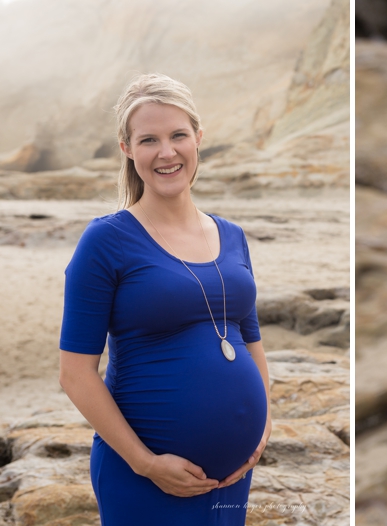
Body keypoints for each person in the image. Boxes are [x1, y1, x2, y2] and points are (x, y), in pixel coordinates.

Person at [58, 73, 271, 524]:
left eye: (178, 135)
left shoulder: (232, 235)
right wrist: (146, 464)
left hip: (234, 478)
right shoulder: (105, 241)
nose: (166, 152)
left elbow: (251, 341)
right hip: (145, 479)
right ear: (127, 149)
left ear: (198, 138)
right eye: (148, 140)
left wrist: (262, 427)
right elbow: (75, 373)